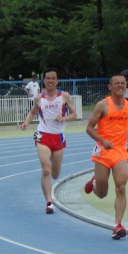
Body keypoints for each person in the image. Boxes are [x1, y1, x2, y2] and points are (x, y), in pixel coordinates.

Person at [84, 74, 128, 239]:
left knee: (121, 187)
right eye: (117, 83)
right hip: (103, 151)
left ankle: (118, 225)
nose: (121, 86)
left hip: (120, 151)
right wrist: (102, 140)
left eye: (123, 83)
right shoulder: (103, 105)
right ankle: (94, 185)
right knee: (102, 193)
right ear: (110, 87)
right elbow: (90, 128)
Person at [21, 68, 77, 214]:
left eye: (53, 78)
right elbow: (33, 111)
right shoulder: (39, 98)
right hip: (43, 136)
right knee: (46, 169)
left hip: (58, 137)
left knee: (55, 174)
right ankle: (49, 202)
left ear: (57, 80)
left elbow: (74, 114)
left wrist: (63, 118)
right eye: (48, 78)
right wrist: (27, 121)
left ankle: (50, 189)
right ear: (44, 81)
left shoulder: (64, 96)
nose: (50, 81)